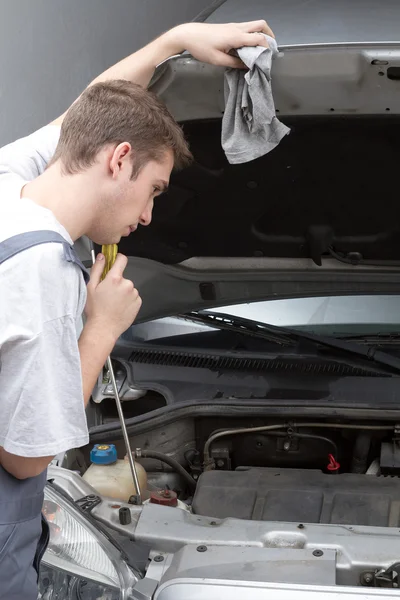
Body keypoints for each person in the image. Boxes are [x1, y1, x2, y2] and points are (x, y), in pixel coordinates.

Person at [0, 18, 274, 599]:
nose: (149, 217)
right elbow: (24, 459)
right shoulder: (42, 270)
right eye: (154, 188)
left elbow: (84, 116)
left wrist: (173, 42)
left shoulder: (10, 186)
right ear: (119, 159)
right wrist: (101, 327)